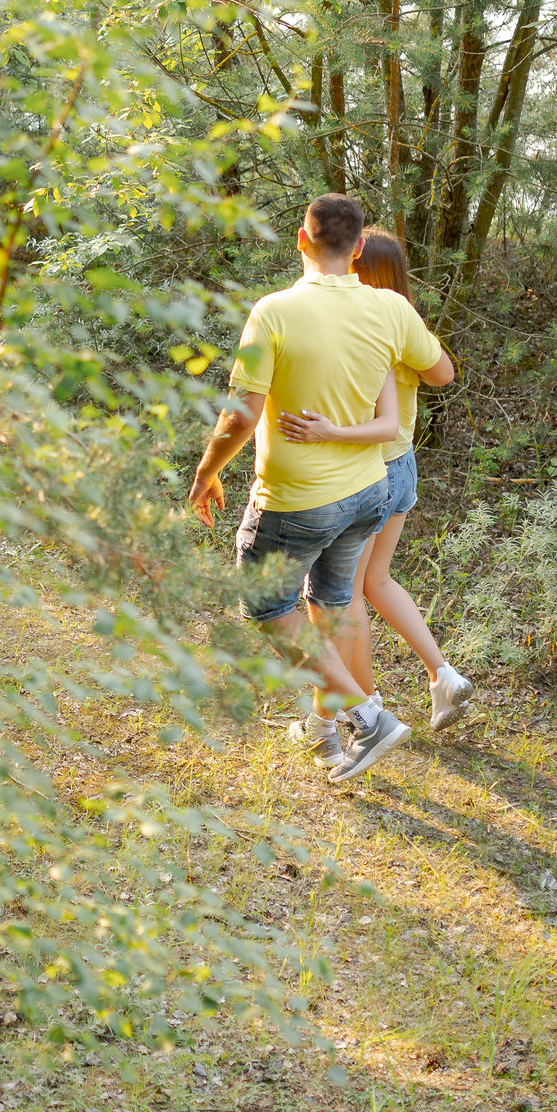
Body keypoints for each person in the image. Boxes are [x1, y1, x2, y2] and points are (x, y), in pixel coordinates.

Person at [187, 195, 450, 783]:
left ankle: (365, 715)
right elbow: (441, 372)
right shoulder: (389, 308)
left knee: (268, 603)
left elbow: (240, 417)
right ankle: (327, 735)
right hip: (367, 494)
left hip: (296, 501)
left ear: (300, 241)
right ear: (359, 249)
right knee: (332, 604)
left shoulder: (274, 311)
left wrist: (207, 473)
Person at [283, 228, 472, 764]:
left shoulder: (362, 322)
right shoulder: (401, 322)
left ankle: (361, 710)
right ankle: (443, 674)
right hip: (404, 466)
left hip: (368, 472)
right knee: (374, 582)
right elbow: (442, 373)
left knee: (343, 597)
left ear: (361, 267)